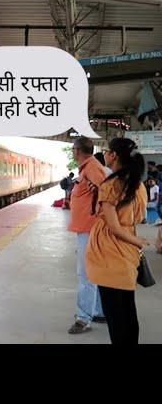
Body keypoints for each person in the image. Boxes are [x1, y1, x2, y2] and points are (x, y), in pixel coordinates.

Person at [85, 138, 149, 344]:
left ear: (113, 155)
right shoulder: (138, 185)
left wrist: (139, 241)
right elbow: (139, 218)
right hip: (128, 255)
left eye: (106, 151)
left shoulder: (111, 185)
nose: (104, 154)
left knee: (115, 316)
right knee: (128, 310)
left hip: (108, 254)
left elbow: (114, 228)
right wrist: (135, 241)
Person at [67, 137, 106, 334]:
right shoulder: (88, 168)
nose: (73, 152)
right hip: (87, 227)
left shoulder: (91, 168)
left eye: (73, 149)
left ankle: (83, 318)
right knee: (92, 272)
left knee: (86, 274)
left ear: (77, 151)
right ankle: (98, 311)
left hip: (90, 228)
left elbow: (108, 190)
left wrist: (99, 191)